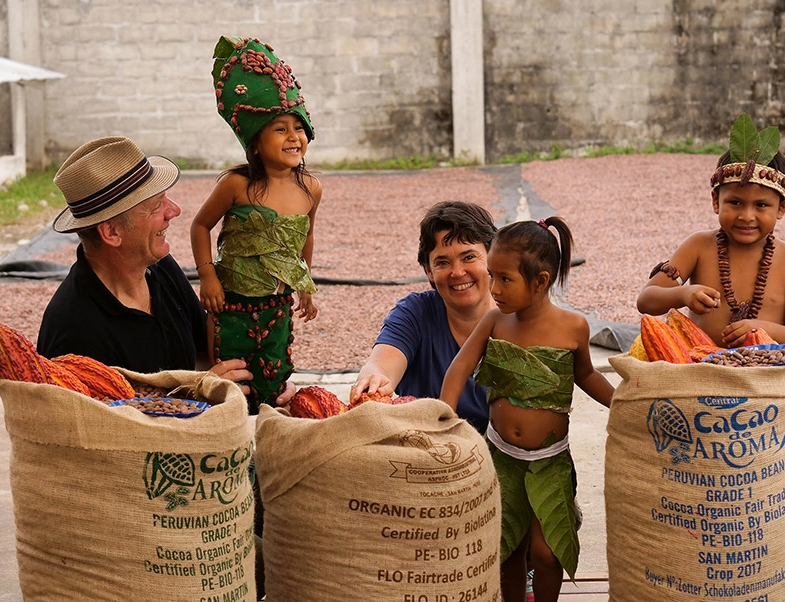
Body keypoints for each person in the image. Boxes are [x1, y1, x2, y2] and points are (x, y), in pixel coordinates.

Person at [439, 216, 613, 602]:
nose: (494, 288)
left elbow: (586, 375)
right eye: (493, 276)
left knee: (547, 551)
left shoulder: (573, 327)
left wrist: (622, 403)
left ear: (540, 281)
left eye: (505, 279)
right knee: (509, 547)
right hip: (502, 457)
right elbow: (459, 370)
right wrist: (444, 423)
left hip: (551, 461)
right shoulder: (494, 322)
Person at [37, 135, 254, 391]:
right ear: (112, 233)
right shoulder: (75, 331)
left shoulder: (160, 268)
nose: (174, 211)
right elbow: (108, 426)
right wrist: (199, 394)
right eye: (156, 206)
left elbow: (204, 355)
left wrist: (263, 379)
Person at [192, 36, 321, 414]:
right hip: (230, 304)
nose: (294, 137)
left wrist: (306, 285)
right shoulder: (236, 185)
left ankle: (268, 439)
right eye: (280, 129)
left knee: (273, 376)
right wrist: (208, 276)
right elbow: (200, 227)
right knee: (231, 382)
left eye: (299, 128)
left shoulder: (311, 188)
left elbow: (306, 236)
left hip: (277, 305)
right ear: (255, 141)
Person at [636, 113, 785, 351]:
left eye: (761, 205)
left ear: (781, 208)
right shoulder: (698, 246)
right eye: (735, 203)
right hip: (701, 367)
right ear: (716, 201)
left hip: (767, 374)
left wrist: (762, 329)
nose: (746, 216)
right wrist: (683, 294)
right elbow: (646, 300)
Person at [350, 200, 497, 433]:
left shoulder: (520, 319)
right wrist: (373, 380)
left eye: (469, 257)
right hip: (426, 460)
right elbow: (380, 365)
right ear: (428, 271)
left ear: (492, 258)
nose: (457, 272)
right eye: (442, 262)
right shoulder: (415, 314)